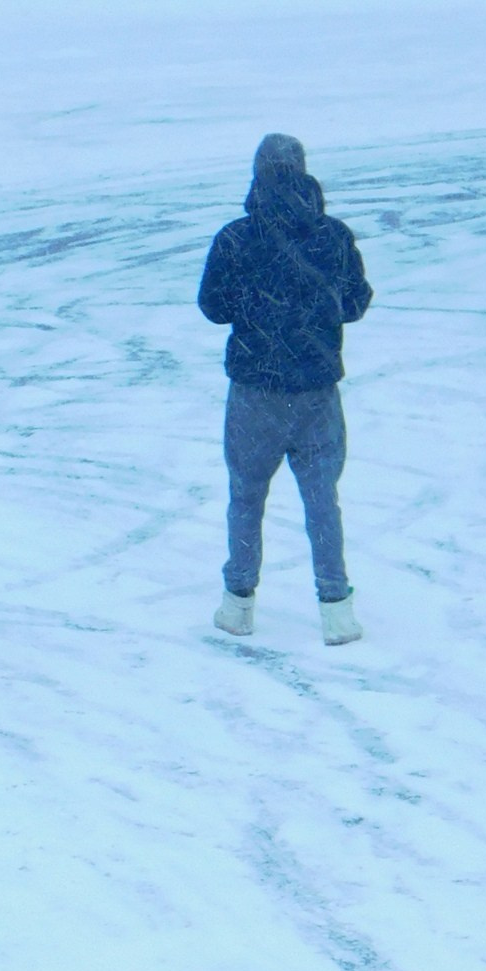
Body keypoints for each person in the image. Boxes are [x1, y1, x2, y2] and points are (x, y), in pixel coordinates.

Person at [196, 134, 372, 646]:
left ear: (256, 175)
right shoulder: (333, 236)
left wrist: (258, 311)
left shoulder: (235, 238)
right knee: (322, 501)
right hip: (317, 391)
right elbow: (357, 302)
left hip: (254, 391)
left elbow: (212, 306)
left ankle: (238, 605)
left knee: (246, 498)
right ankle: (336, 609)